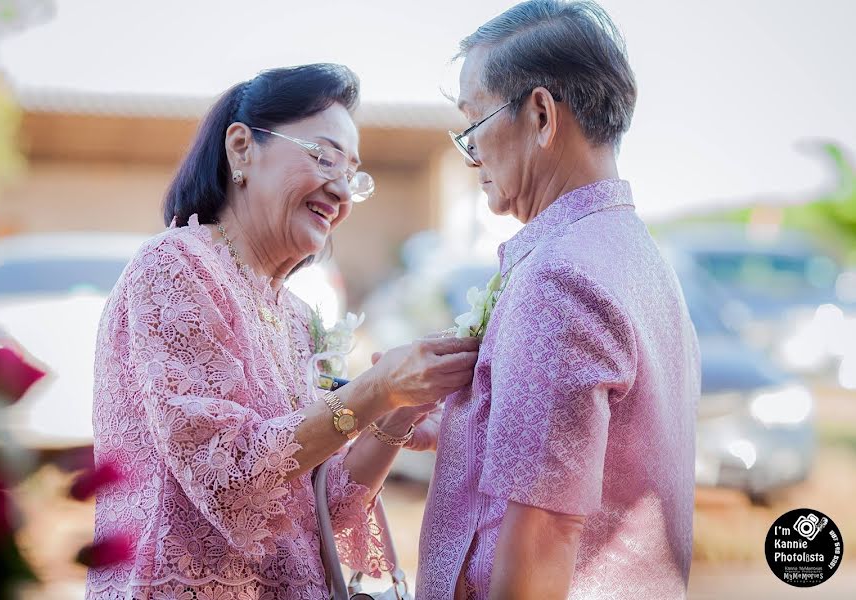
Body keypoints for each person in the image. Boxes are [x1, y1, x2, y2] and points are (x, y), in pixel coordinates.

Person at [86, 63, 479, 600]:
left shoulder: (294, 315)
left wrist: (399, 409)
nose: (341, 190)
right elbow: (230, 477)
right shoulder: (176, 267)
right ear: (242, 148)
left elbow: (326, 503)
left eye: (353, 175)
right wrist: (375, 388)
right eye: (323, 157)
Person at [417, 2, 701, 598]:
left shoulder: (559, 278)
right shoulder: (635, 253)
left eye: (473, 123)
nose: (470, 154)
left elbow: (546, 534)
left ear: (542, 115)